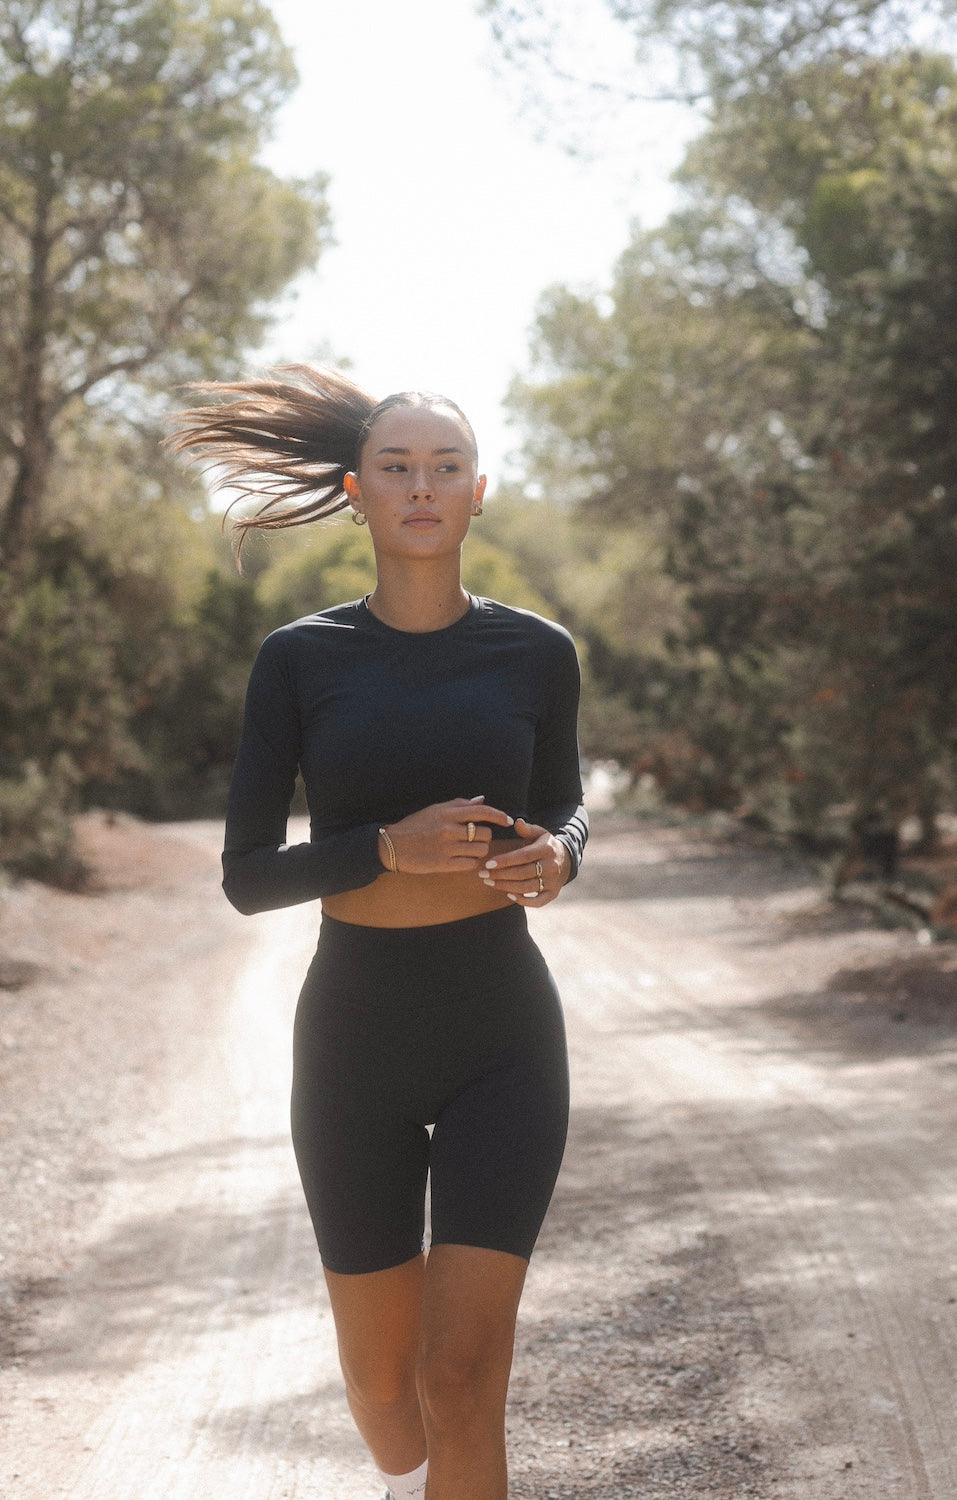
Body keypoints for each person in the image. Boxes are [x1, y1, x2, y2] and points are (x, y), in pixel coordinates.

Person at [167, 365, 587, 1500]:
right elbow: (247, 878)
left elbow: (565, 803)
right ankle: (405, 1486)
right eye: (396, 467)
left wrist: (561, 853)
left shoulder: (537, 653)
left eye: (444, 467)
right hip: (355, 1039)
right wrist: (382, 849)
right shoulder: (299, 661)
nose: (420, 486)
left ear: (479, 493)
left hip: (503, 1029)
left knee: (463, 1379)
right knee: (380, 1387)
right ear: (358, 492)